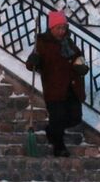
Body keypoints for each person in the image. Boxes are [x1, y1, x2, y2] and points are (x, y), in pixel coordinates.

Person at [24, 9, 85, 157]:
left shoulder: (68, 43)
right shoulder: (43, 43)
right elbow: (32, 64)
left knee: (75, 117)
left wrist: (81, 66)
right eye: (58, 28)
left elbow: (79, 57)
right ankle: (59, 146)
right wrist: (33, 61)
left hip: (72, 87)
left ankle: (51, 131)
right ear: (51, 28)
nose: (62, 31)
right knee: (57, 117)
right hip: (54, 88)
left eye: (64, 27)